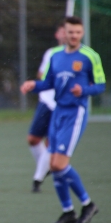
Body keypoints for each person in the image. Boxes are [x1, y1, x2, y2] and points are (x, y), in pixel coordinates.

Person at [20, 16, 106, 223]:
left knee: (58, 165)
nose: (74, 36)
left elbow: (101, 85)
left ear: (82, 33)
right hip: (58, 111)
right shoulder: (55, 56)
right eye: (70, 32)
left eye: (77, 32)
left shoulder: (90, 56)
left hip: (75, 113)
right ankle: (68, 211)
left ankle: (88, 204)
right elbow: (48, 82)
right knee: (52, 162)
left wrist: (83, 90)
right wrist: (34, 85)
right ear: (64, 33)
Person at [28, 22, 67, 193]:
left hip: (62, 104)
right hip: (46, 101)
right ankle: (46, 167)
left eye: (70, 31)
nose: (66, 34)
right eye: (63, 31)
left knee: (51, 142)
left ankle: (38, 179)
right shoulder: (51, 53)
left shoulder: (81, 56)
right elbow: (42, 75)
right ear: (57, 34)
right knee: (33, 139)